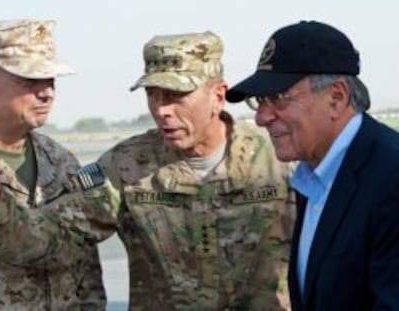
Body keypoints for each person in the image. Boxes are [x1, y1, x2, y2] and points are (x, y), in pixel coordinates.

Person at [97, 30, 295, 310]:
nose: (162, 110)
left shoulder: (279, 159)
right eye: (153, 95)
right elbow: (57, 235)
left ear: (218, 96)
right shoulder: (126, 165)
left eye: (176, 95)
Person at [226, 20, 399, 311]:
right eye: (260, 101)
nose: (261, 117)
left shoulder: (392, 177)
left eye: (278, 98)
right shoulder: (314, 177)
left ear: (336, 97)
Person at [0, 19, 109, 310]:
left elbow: (85, 264)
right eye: (30, 81)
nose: (47, 93)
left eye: (51, 80)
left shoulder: (60, 159)